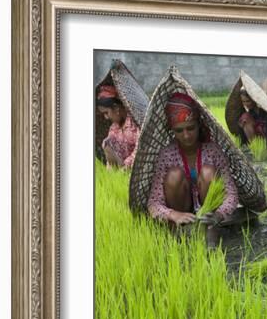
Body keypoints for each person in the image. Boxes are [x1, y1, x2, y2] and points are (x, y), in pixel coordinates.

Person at [147, 92, 239, 226]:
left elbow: (231, 193)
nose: (186, 135)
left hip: (210, 213)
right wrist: (174, 215)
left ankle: (210, 228)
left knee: (208, 172)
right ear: (172, 130)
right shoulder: (167, 155)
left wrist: (219, 214)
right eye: (179, 130)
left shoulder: (213, 151)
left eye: (190, 128)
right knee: (174, 175)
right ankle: (180, 230)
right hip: (181, 210)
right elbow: (154, 202)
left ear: (199, 126)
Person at [96, 84, 140, 169]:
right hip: (121, 172)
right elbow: (110, 156)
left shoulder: (135, 123)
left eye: (106, 113)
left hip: (136, 168)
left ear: (116, 108)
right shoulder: (113, 128)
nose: (106, 117)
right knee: (106, 143)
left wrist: (126, 166)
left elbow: (139, 149)